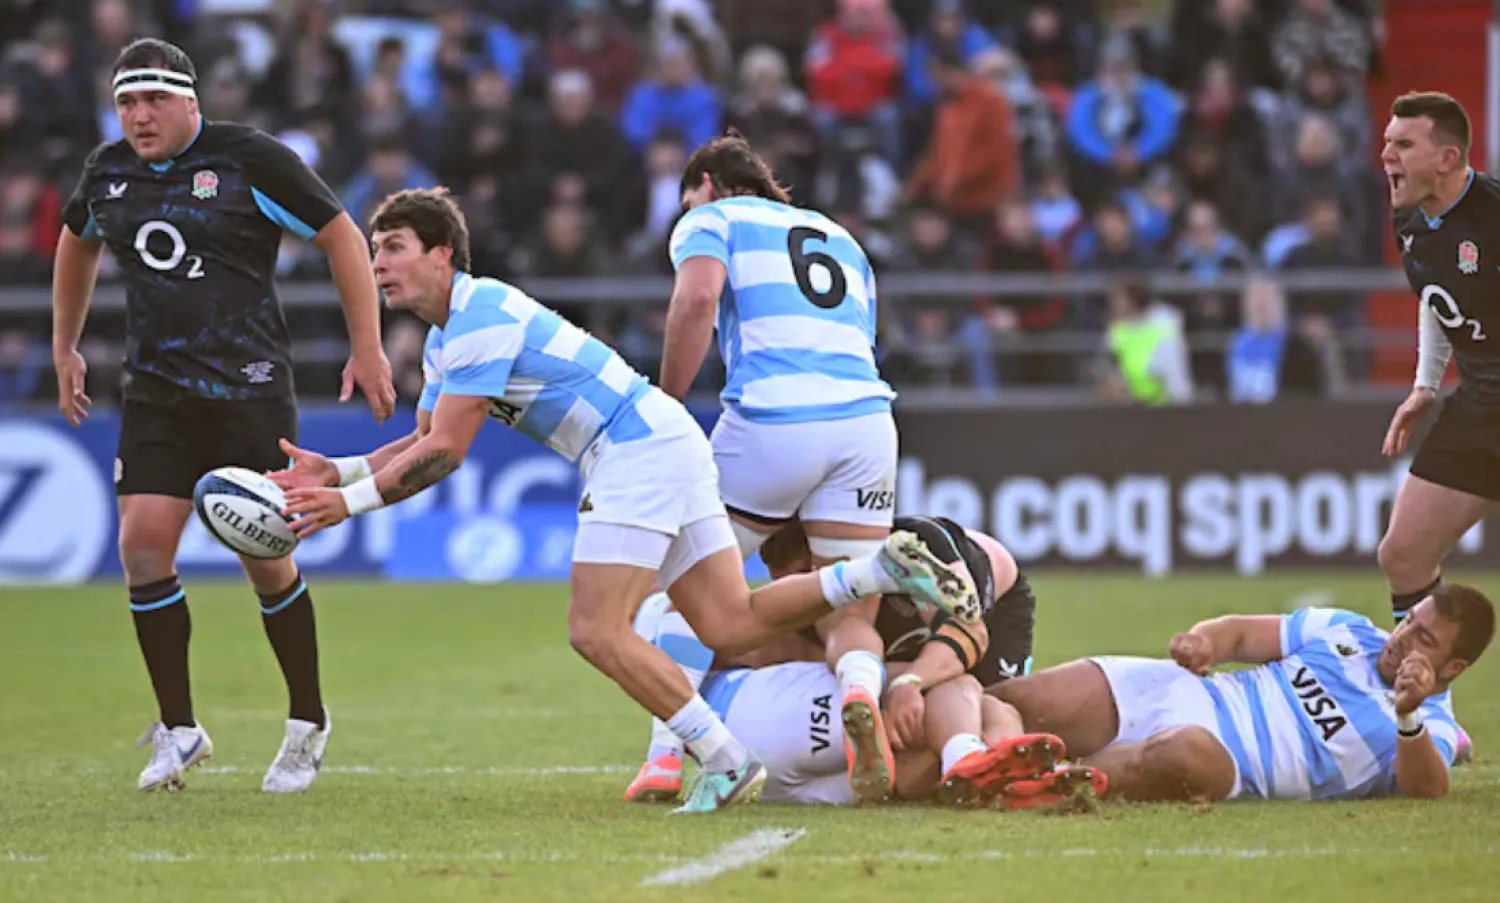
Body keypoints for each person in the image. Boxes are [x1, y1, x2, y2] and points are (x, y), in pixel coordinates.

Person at [271, 187, 981, 814]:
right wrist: (338, 470)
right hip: (663, 437)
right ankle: (875, 573)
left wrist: (352, 505)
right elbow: (422, 437)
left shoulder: (481, 312)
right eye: (372, 251)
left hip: (633, 447)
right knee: (728, 622)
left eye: (393, 248)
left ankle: (725, 760)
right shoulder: (446, 339)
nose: (377, 265)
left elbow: (449, 452)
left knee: (596, 628)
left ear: (443, 252)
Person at [52, 38, 396, 794]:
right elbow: (75, 244)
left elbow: (340, 232)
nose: (139, 117)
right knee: (143, 547)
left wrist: (366, 346)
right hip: (156, 391)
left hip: (250, 389)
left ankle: (307, 721)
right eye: (127, 103)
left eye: (153, 101)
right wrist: (65, 343)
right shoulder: (107, 172)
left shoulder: (250, 159)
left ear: (190, 102)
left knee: (267, 558)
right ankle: (180, 730)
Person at [661, 133, 904, 802]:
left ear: (708, 184)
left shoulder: (709, 219)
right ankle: (859, 689)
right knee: (850, 601)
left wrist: (667, 404)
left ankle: (662, 757)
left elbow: (696, 300)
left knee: (682, 578)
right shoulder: (842, 239)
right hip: (865, 423)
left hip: (773, 417)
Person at [625, 515, 1037, 803]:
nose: (801, 589)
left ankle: (980, 764)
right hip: (795, 713)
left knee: (983, 701)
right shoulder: (816, 588)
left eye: (803, 575)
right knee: (962, 712)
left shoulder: (917, 543)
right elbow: (753, 645)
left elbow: (969, 631)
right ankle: (976, 763)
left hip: (991, 623)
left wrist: (909, 685)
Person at [992, 583, 1493, 807]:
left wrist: (1408, 716)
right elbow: (1236, 634)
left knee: (1183, 752)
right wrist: (1202, 641)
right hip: (1190, 691)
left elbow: (1427, 790)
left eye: (1424, 640)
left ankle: (1031, 780)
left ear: (1453, 667)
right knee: (1015, 701)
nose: (1402, 639)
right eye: (1410, 622)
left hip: (1230, 759)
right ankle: (953, 750)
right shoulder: (1346, 630)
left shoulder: (1432, 729)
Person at [629, 592, 1063, 807]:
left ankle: (995, 775)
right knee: (961, 689)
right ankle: (977, 762)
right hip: (749, 705)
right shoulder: (681, 593)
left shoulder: (650, 608)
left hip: (749, 770)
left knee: (912, 773)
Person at [1379, 93, 1500, 630]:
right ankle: (1424, 708)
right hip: (1480, 401)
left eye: (1403, 144)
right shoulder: (1409, 218)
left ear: (1447, 160)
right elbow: (1436, 296)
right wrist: (1426, 384)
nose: (1386, 156)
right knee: (1403, 554)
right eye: (1387, 143)